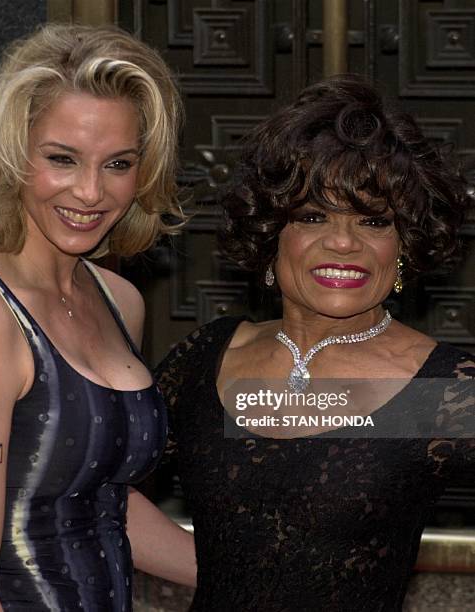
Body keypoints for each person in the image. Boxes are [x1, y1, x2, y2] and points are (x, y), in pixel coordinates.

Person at [0, 24, 196, 611]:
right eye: (62, 159)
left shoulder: (116, 299)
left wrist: (258, 573)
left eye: (118, 163)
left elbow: (90, 496)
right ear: (14, 154)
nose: (90, 192)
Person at [156, 75, 475, 611]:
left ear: (403, 246)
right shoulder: (208, 359)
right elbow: (93, 487)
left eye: (374, 221)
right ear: (270, 233)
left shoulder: (439, 392)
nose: (344, 242)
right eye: (311, 216)